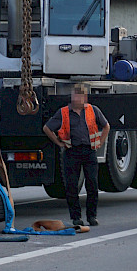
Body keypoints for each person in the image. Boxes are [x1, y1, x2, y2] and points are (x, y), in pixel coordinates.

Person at [43, 84, 110, 229]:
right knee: (72, 186)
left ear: (84, 98)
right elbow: (47, 128)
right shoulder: (64, 112)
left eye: (79, 95)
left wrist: (100, 142)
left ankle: (92, 216)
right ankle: (76, 217)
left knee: (92, 183)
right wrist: (58, 143)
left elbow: (106, 126)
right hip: (71, 152)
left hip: (89, 151)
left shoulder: (93, 110)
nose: (76, 98)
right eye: (74, 95)